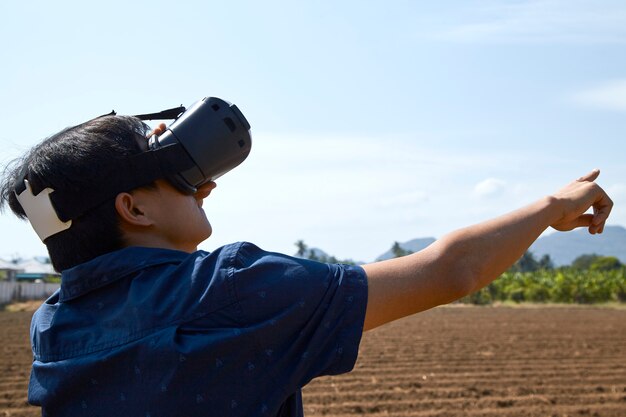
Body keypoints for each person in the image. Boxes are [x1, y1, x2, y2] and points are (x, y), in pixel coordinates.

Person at [0, 111, 613, 417]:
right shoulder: (228, 289)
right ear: (132, 207)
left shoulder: (54, 326)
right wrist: (551, 206)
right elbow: (451, 270)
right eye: (179, 176)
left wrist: (172, 190)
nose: (201, 186)